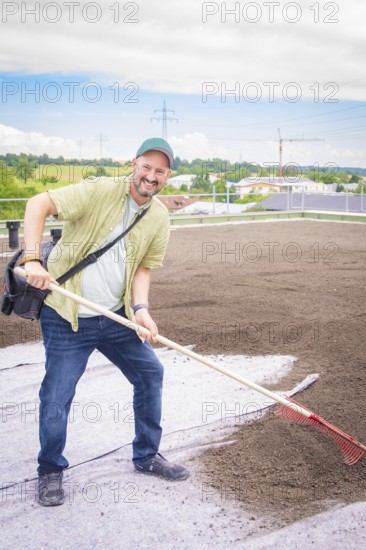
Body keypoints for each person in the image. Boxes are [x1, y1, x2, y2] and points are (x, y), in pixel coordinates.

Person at [22, 138, 189, 507]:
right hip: (67, 315)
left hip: (116, 317)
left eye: (160, 170)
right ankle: (50, 470)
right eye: (146, 166)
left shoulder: (159, 216)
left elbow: (143, 269)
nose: (151, 175)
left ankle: (147, 456)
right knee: (57, 395)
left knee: (150, 374)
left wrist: (142, 308)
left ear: (167, 176)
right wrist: (33, 259)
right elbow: (38, 204)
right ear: (134, 164)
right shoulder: (99, 190)